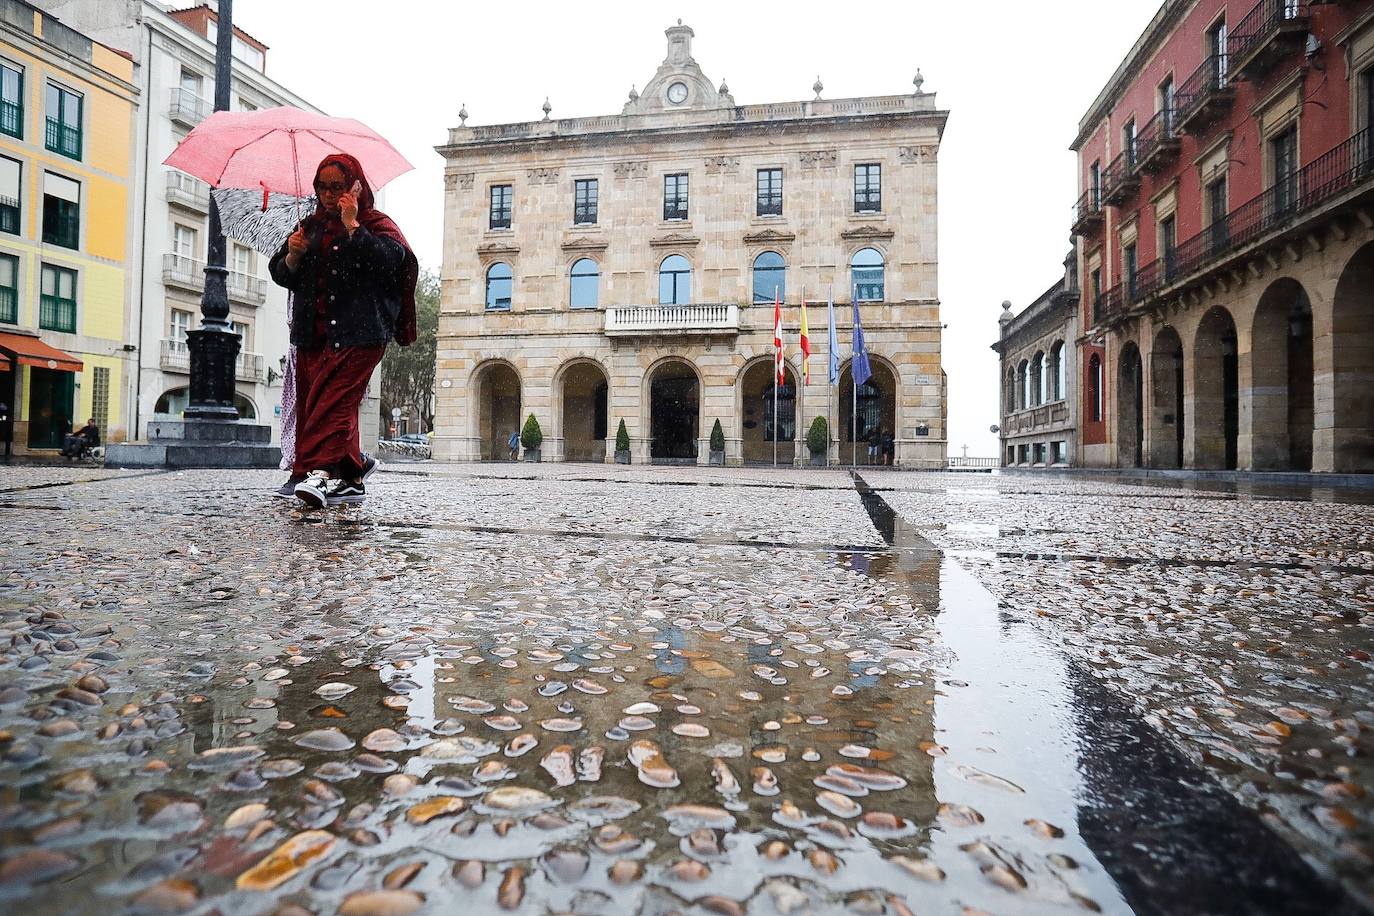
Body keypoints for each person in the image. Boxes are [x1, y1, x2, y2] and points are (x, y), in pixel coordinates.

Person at [269, 153, 417, 508]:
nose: (328, 195)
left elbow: (389, 264)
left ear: (356, 186)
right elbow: (281, 274)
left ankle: (316, 473)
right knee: (318, 404)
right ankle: (353, 472)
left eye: (336, 187)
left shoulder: (377, 224)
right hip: (313, 336)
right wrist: (292, 255)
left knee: (332, 406)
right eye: (322, 187)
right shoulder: (310, 226)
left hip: (360, 333)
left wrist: (354, 228)